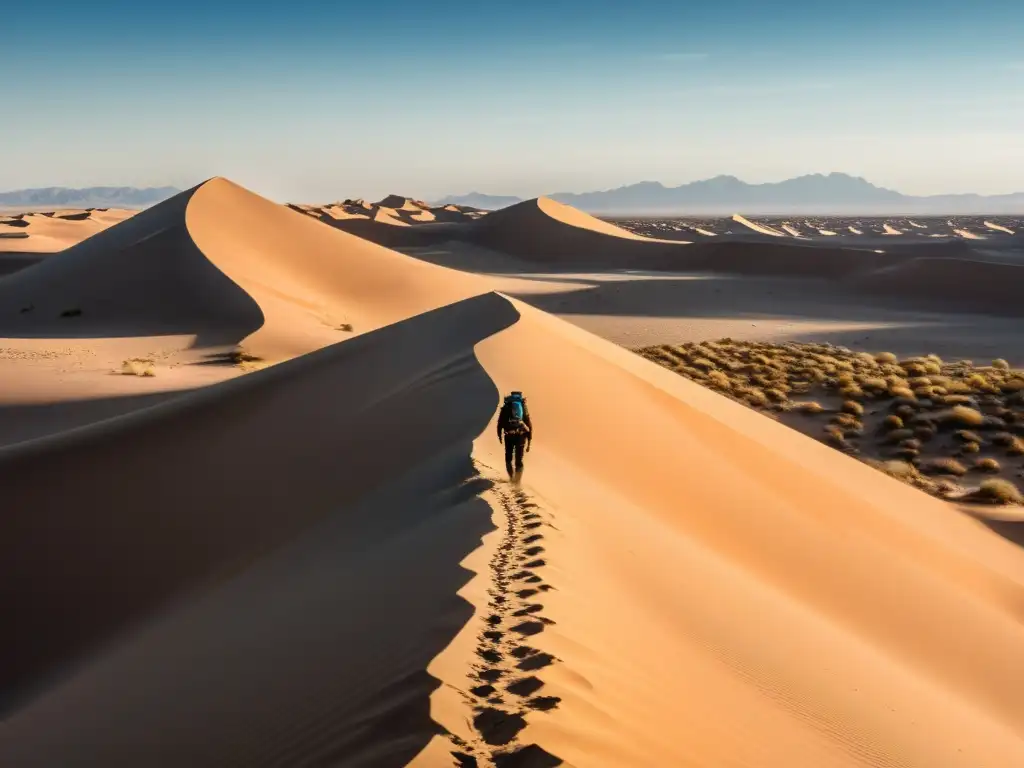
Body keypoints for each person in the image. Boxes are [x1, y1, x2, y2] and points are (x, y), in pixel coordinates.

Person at [497, 391, 532, 480]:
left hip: (508, 435)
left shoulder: (506, 407)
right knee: (519, 460)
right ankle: (517, 482)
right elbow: (529, 424)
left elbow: (500, 423)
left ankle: (511, 478)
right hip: (521, 436)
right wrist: (529, 441)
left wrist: (500, 436)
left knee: (508, 458)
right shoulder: (523, 407)